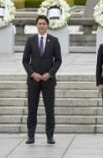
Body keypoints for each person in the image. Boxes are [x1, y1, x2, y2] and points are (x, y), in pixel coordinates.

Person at [22, 15, 62, 144]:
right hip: (33, 81)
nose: (42, 26)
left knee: (49, 109)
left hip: (48, 81)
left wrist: (49, 74)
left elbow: (58, 60)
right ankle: (31, 135)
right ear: (36, 25)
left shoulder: (54, 41)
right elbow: (25, 60)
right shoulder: (31, 40)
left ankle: (50, 136)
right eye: (40, 23)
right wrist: (32, 73)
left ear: (47, 25)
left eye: (44, 23)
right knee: (32, 109)